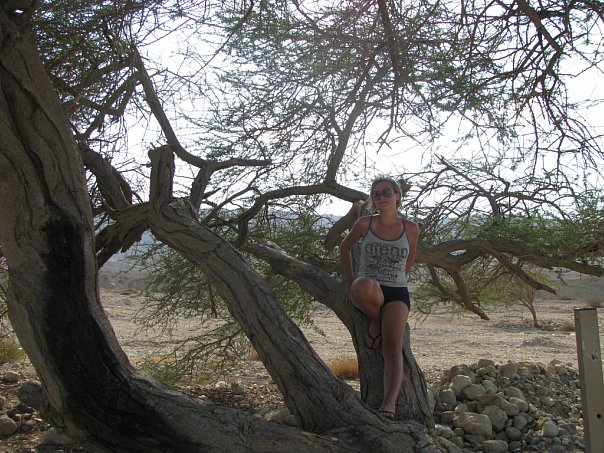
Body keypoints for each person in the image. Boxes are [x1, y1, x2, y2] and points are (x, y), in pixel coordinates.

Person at [339, 176, 419, 420]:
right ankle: (377, 318)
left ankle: (389, 402)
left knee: (392, 348)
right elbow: (345, 247)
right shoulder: (365, 223)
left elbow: (410, 258)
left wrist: (400, 276)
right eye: (376, 194)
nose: (381, 197)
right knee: (364, 285)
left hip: (397, 291)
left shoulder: (411, 228)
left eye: (386, 192)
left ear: (397, 195)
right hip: (368, 288)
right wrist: (349, 281)